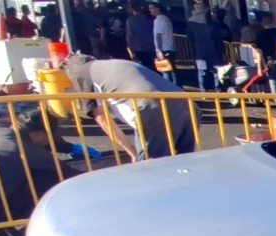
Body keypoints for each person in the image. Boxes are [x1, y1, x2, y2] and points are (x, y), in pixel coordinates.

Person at [0, 108, 78, 236]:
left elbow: (43, 141)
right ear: (39, 135)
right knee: (59, 186)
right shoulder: (29, 153)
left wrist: (70, 148)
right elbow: (68, 175)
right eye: (49, 136)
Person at [61, 54, 196, 161]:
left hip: (152, 108)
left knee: (152, 168)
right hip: (187, 103)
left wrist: (132, 152)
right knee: (184, 162)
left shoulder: (82, 74)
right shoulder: (115, 64)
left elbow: (102, 118)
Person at [187, 0, 220, 91]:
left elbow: (190, 37)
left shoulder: (191, 23)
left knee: (202, 71)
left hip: (199, 50)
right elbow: (216, 36)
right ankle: (217, 89)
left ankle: (203, 90)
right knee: (215, 70)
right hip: (212, 49)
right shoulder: (210, 22)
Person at [253, 13, 276, 97]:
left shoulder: (260, 34)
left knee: (275, 86)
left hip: (270, 63)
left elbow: (259, 52)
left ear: (262, 23)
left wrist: (259, 68)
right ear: (272, 21)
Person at [148, 1, 174, 83]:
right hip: (170, 48)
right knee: (171, 70)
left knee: (166, 71)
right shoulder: (166, 19)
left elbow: (158, 35)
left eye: (152, 8)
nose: (150, 10)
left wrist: (159, 50)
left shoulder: (158, 20)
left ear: (158, 9)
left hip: (163, 49)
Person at [124, 2, 153, 66]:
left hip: (138, 48)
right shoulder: (150, 19)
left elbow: (129, 35)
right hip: (151, 47)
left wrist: (129, 48)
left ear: (132, 9)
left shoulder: (131, 20)